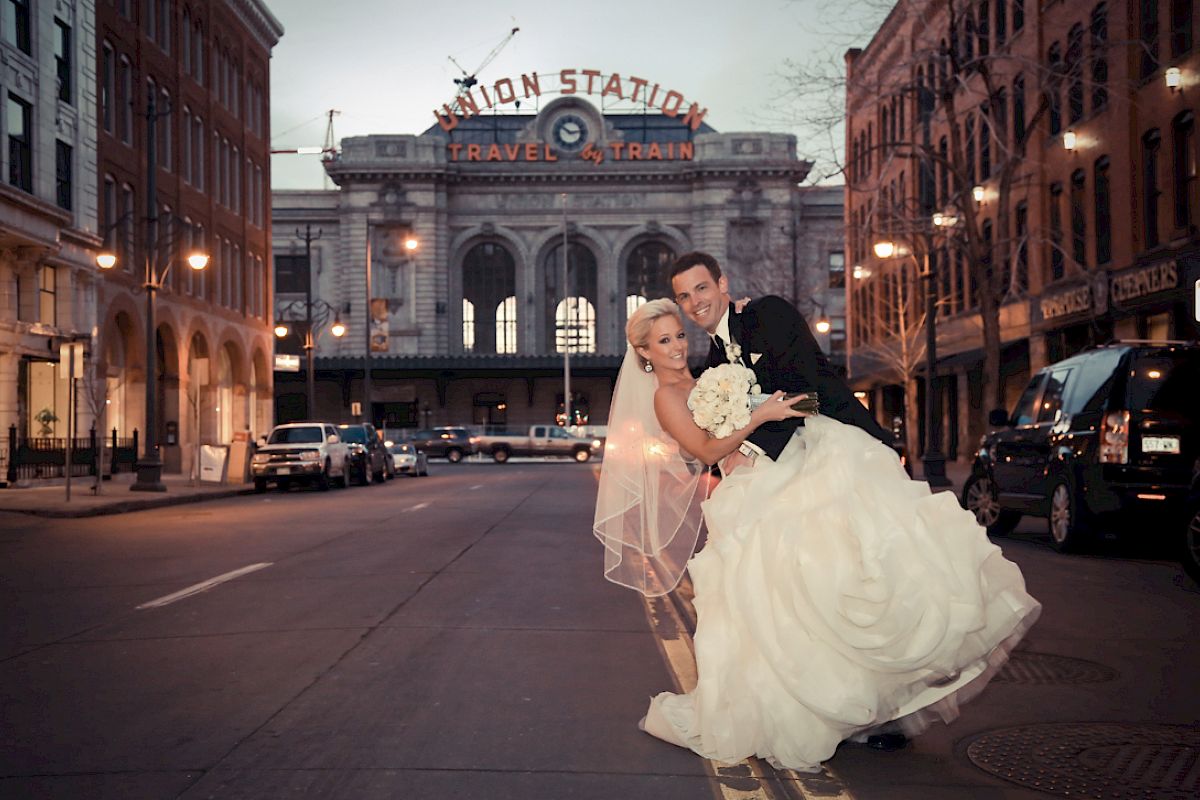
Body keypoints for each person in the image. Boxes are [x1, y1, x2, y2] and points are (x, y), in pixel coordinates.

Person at [593, 298, 1041, 773]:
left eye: (679, 334)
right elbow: (704, 448)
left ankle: (848, 698)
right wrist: (757, 419)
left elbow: (757, 366)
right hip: (743, 496)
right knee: (769, 598)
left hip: (765, 479)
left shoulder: (708, 370)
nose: (677, 345)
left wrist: (743, 322)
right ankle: (795, 702)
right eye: (664, 341)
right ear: (643, 352)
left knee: (815, 581)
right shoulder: (666, 397)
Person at [670, 251, 893, 476]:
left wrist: (751, 449)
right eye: (684, 296)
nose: (695, 302)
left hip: (839, 447)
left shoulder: (767, 313)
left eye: (701, 288)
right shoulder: (713, 367)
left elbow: (806, 394)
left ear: (722, 283)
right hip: (782, 462)